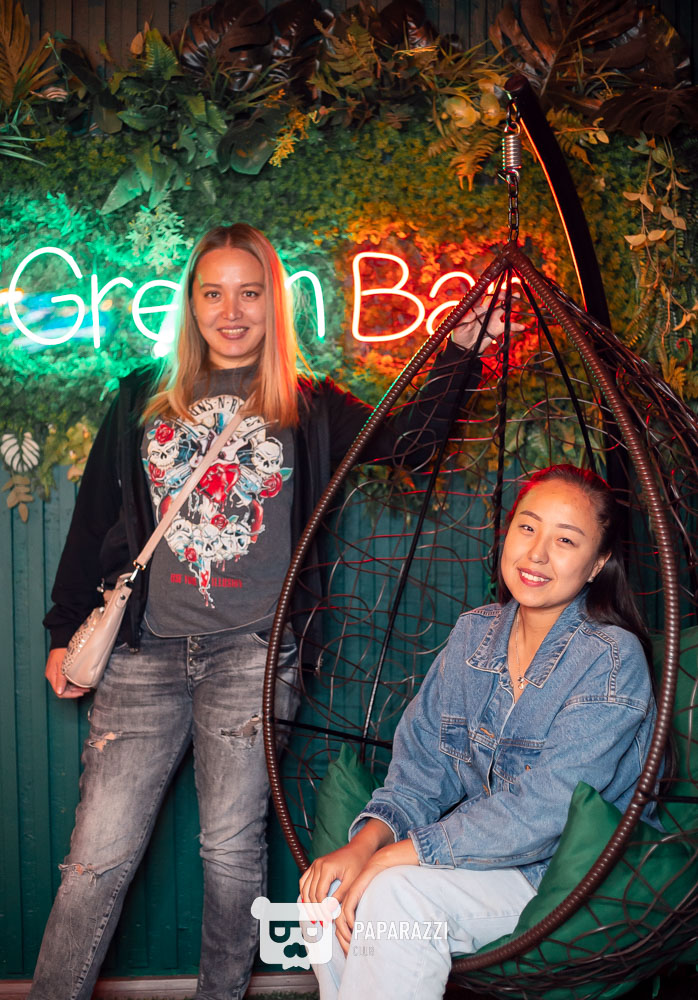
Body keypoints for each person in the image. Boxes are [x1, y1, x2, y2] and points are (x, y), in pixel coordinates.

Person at [32, 223, 506, 1000]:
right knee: (94, 860)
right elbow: (93, 525)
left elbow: (413, 447)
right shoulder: (140, 395)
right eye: (213, 293)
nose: (231, 312)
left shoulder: (309, 405)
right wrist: (63, 631)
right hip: (144, 657)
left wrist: (462, 348)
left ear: (271, 303)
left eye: (249, 293)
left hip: (252, 657)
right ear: (191, 304)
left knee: (230, 852)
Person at [302, 464, 660, 1000]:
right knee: (327, 892)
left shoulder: (610, 658)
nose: (537, 553)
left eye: (565, 540)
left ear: (597, 564)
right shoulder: (474, 633)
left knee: (397, 894)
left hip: (567, 878)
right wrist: (365, 845)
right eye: (527, 527)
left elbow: (546, 810)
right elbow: (421, 772)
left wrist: (399, 855)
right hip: (478, 863)